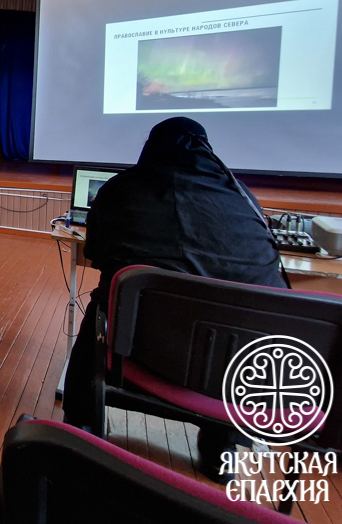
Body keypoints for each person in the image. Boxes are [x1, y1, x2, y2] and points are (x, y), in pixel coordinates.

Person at [61, 117, 286, 480]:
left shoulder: (120, 189)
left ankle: (82, 423)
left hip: (136, 346)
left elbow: (97, 253)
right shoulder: (243, 197)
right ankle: (221, 448)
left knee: (102, 305)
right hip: (232, 363)